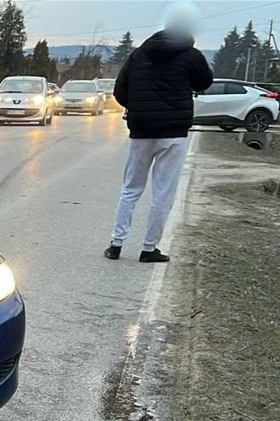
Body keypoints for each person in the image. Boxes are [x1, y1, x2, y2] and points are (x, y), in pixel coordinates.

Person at [105, 3, 213, 263]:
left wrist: (138, 107)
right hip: (173, 133)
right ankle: (149, 248)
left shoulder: (139, 54)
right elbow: (204, 83)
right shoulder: (192, 56)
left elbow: (120, 91)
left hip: (141, 130)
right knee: (163, 192)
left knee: (131, 189)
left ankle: (116, 244)